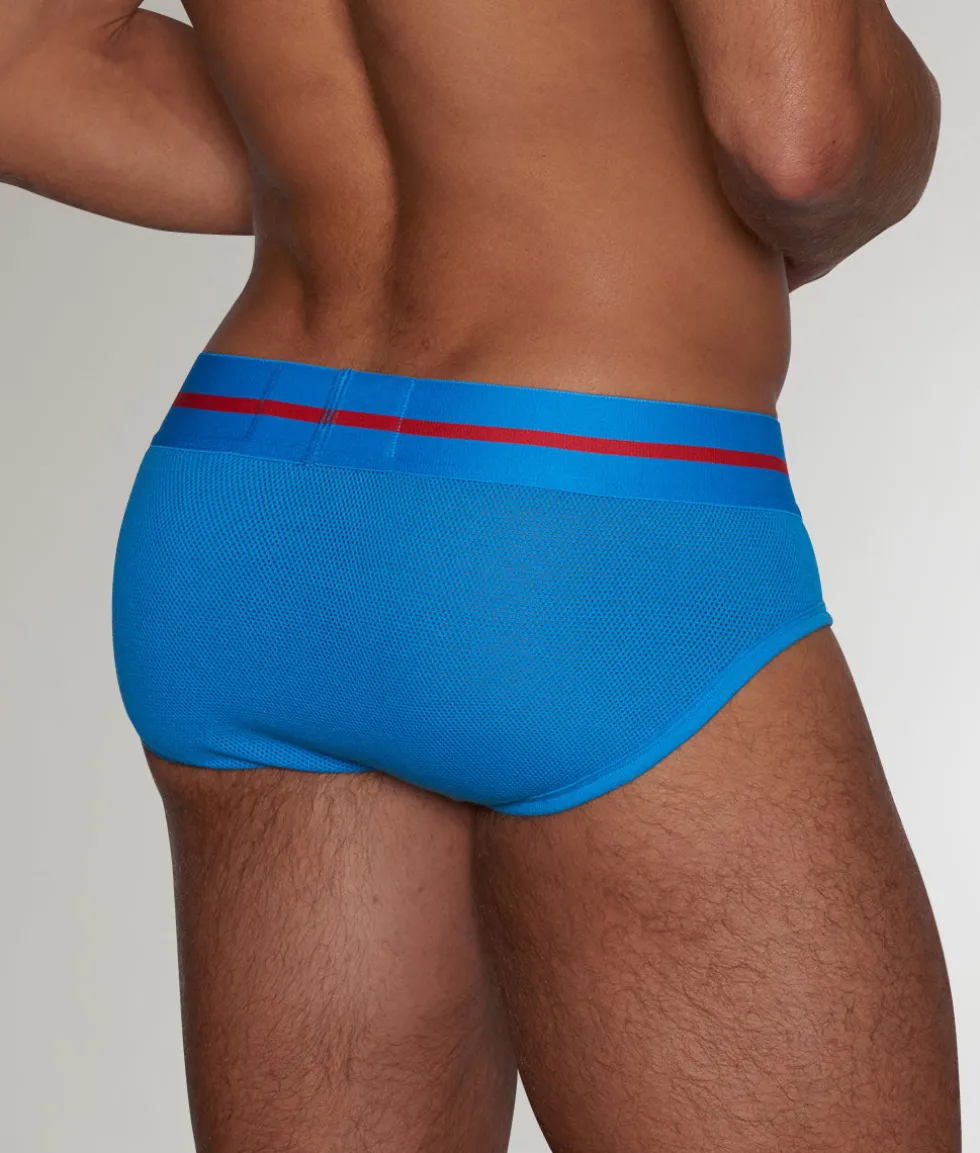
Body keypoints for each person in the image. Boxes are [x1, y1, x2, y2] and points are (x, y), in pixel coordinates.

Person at [0, 1, 959, 1149]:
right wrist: (905, 130)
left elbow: (29, 67)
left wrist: (331, 158)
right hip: (574, 518)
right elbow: (801, 136)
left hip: (248, 494)